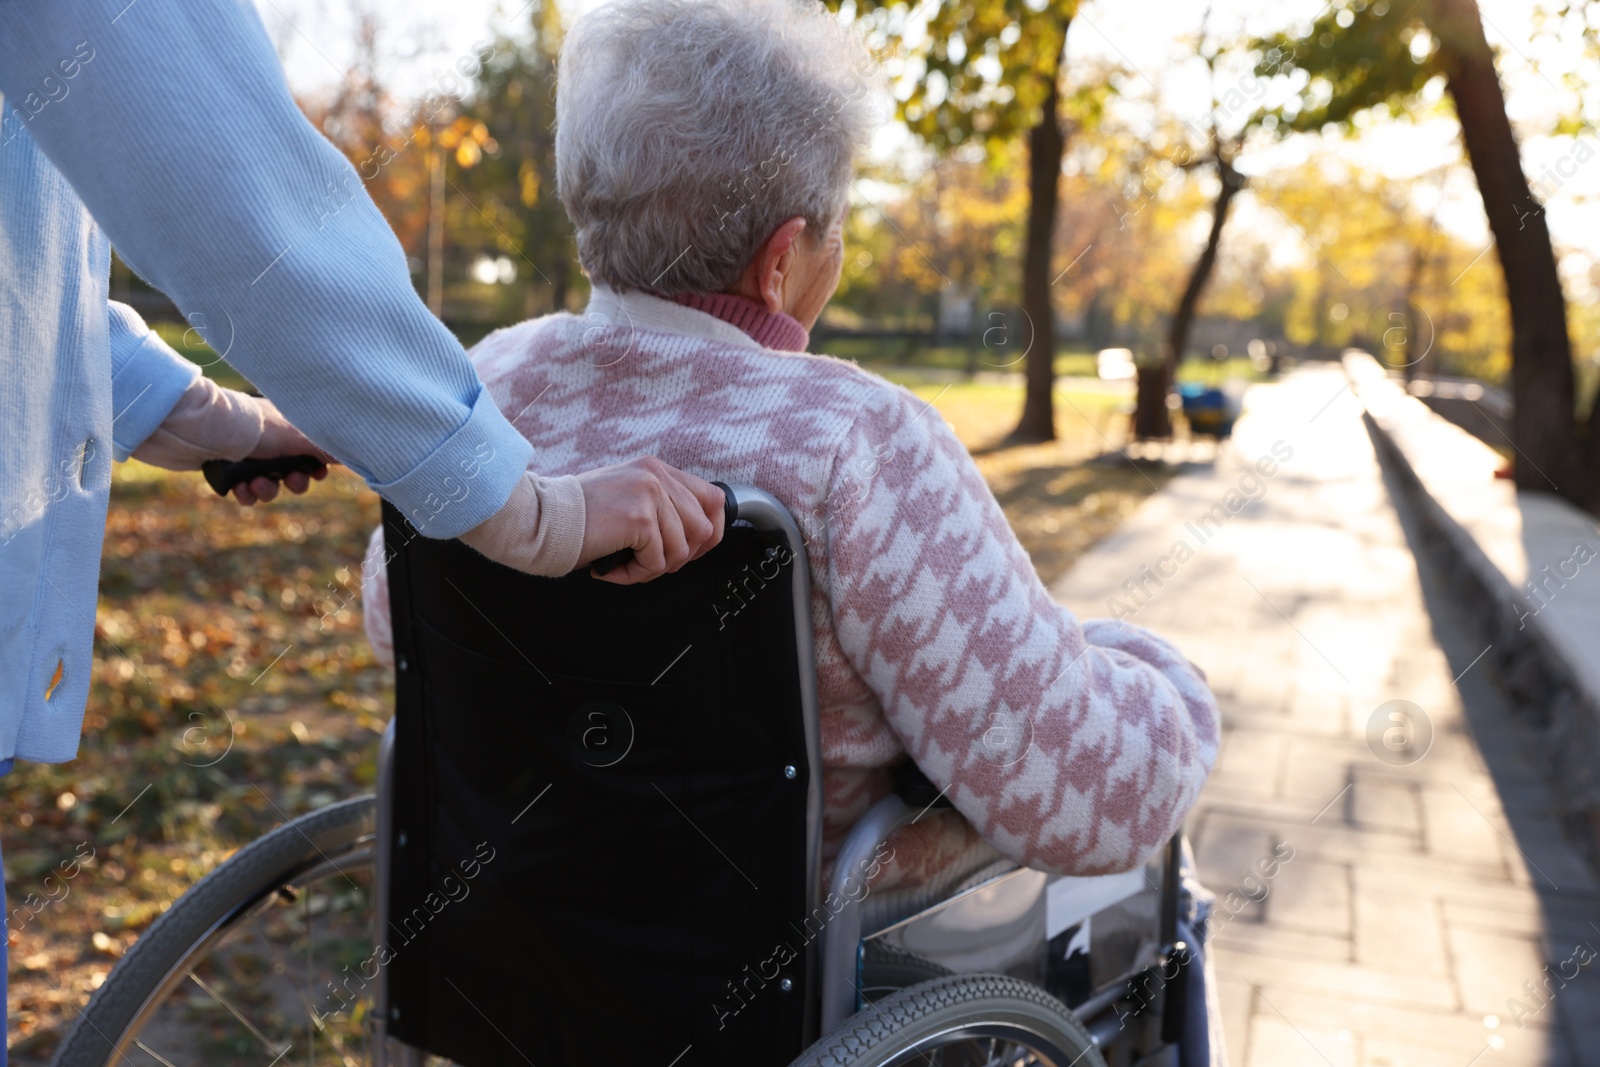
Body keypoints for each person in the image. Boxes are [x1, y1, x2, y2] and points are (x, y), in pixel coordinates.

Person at [364, 0, 1221, 893]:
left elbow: (395, 630)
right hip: (806, 975)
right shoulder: (853, 443)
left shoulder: (478, 386)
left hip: (523, 935)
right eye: (835, 229)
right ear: (780, 265)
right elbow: (1092, 801)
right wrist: (1171, 679)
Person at [0, 0, 723, 1037]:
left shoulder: (512, 360)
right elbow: (239, 189)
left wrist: (216, 419)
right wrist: (531, 514)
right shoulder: (865, 438)